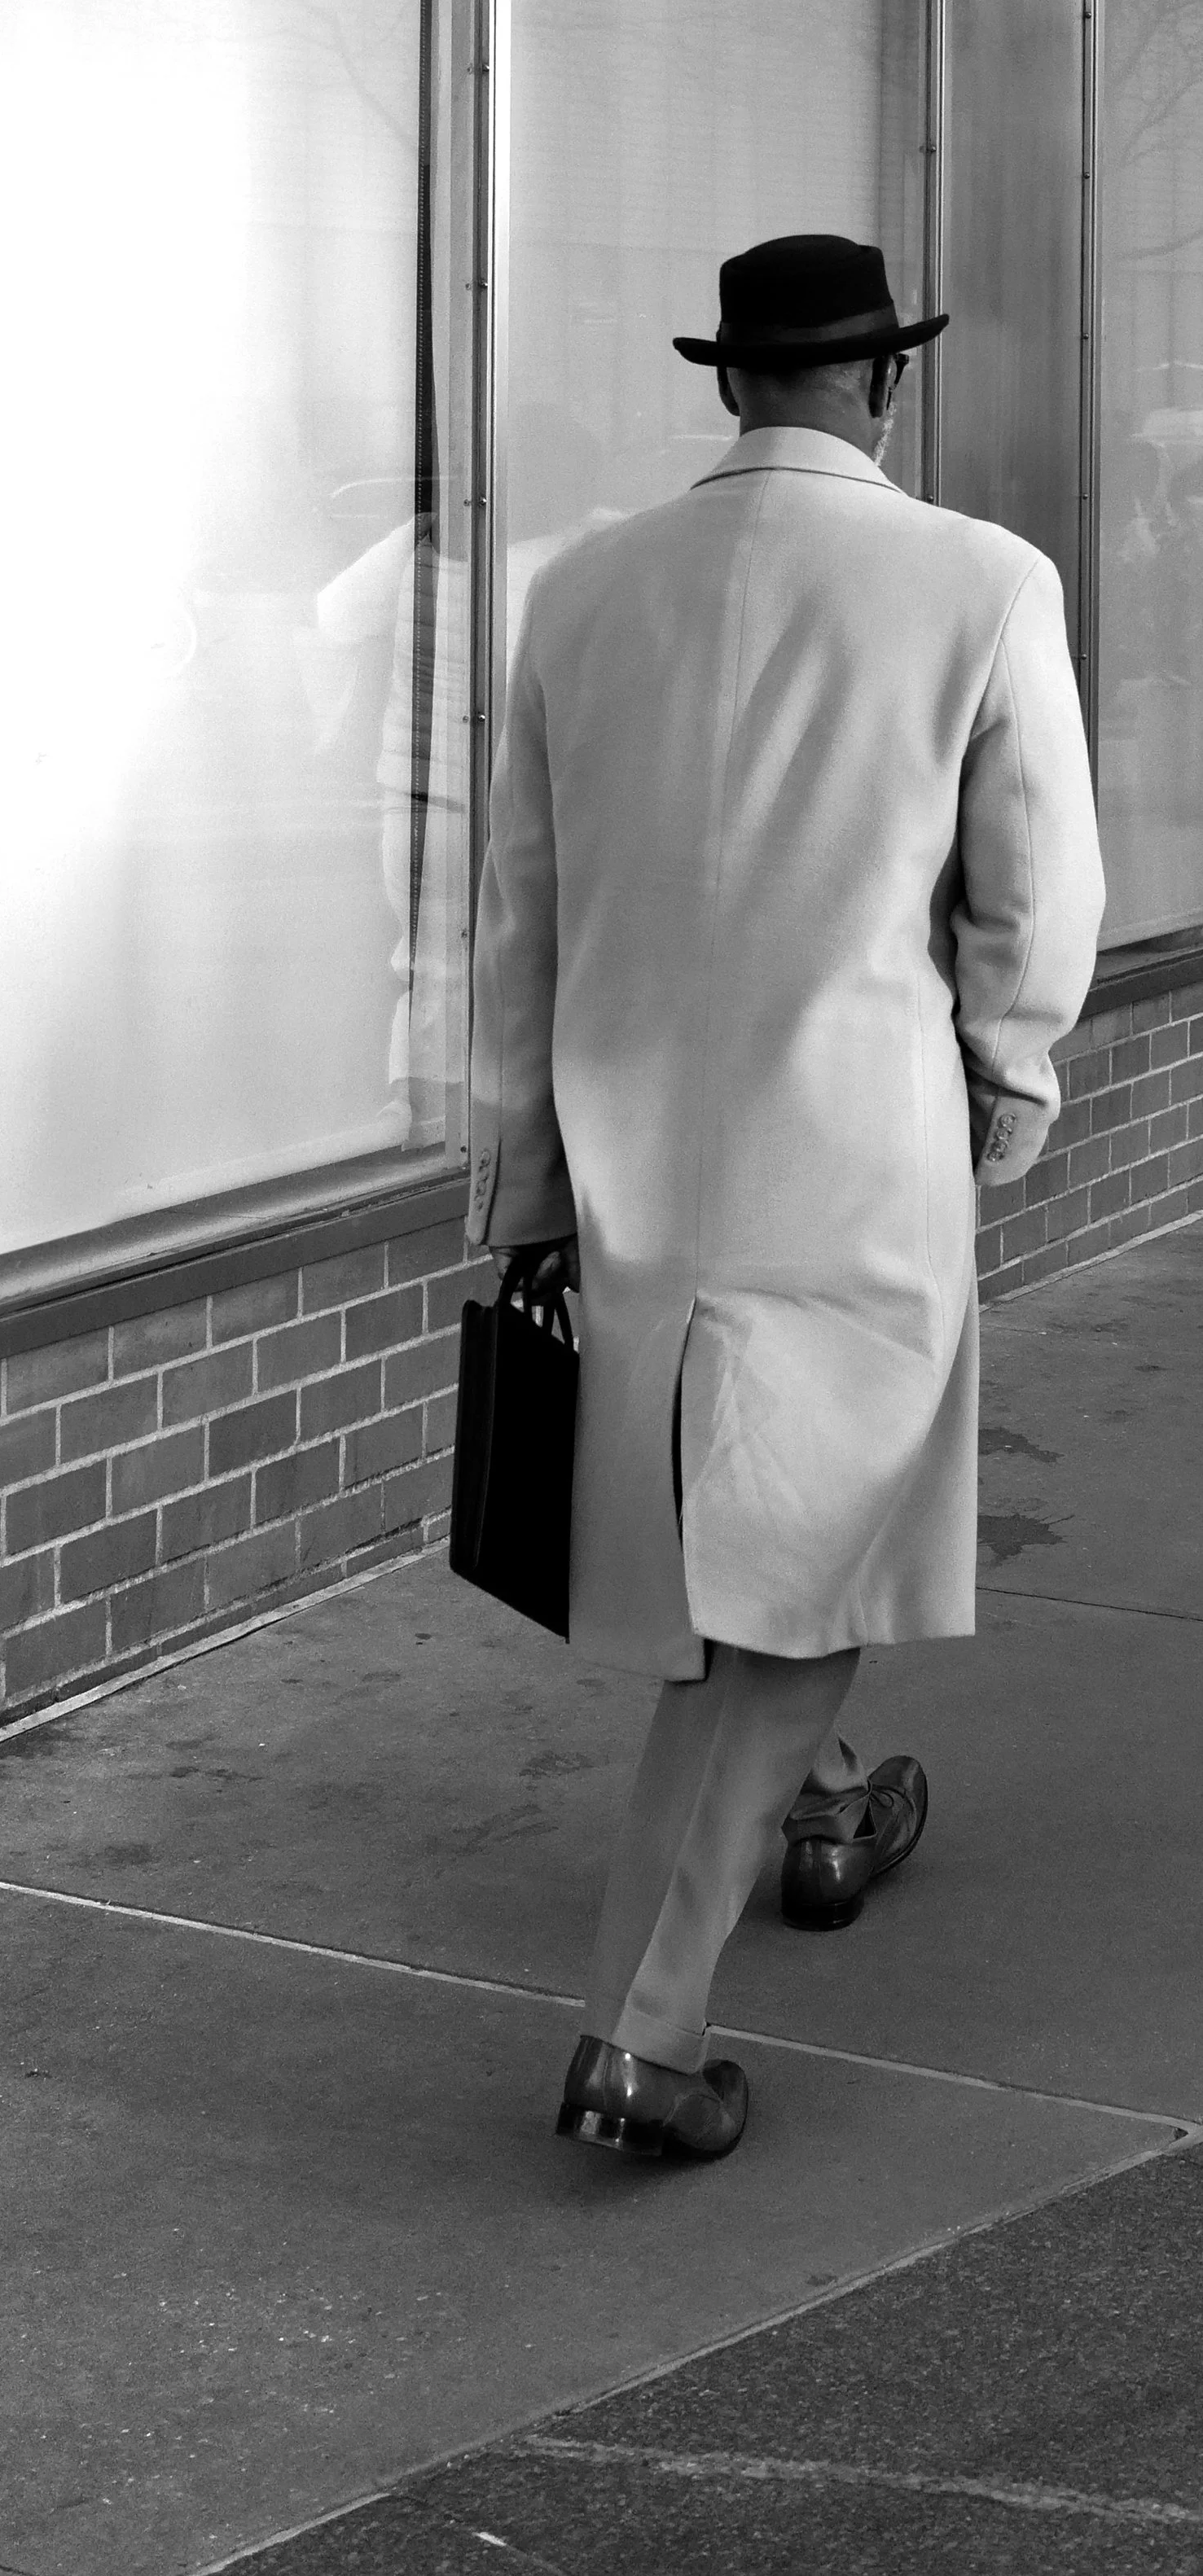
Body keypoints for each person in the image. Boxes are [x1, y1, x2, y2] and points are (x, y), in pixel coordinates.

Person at [468, 234, 1104, 2162]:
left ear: (726, 383)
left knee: (729, 1524)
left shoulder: (576, 591)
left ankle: (823, 1802)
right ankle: (637, 2030)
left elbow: (521, 919)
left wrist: (517, 1176)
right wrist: (1006, 1078)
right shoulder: (980, 581)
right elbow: (1036, 896)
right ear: (882, 384)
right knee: (799, 1584)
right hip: (850, 1151)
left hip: (635, 1156)